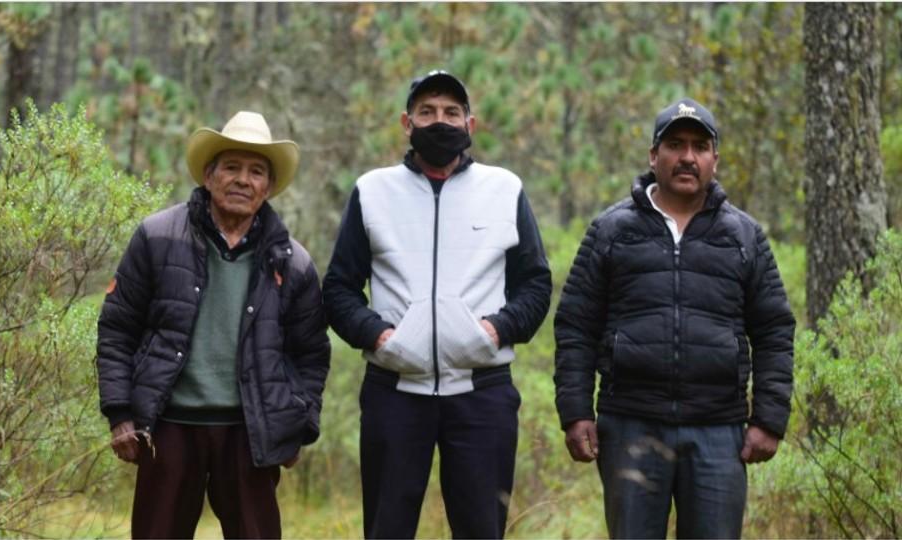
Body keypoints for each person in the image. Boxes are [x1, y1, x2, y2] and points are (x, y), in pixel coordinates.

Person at [322, 70, 552, 539]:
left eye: (451, 112)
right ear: (406, 123)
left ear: (471, 124)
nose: (439, 121)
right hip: (393, 392)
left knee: (482, 530)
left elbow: (535, 284)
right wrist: (378, 336)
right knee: (386, 529)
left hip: (482, 392)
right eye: (427, 112)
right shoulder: (373, 190)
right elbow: (339, 288)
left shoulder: (504, 189)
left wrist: (497, 329)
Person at [553, 98, 795, 539]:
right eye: (675, 144)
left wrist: (768, 418)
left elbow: (775, 329)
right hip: (629, 424)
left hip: (718, 431)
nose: (687, 157)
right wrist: (575, 411)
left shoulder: (743, 236)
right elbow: (575, 325)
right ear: (653, 155)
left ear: (714, 161)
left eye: (700, 147)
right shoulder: (611, 231)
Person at [96, 111, 330, 539]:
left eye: (256, 171)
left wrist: (300, 426)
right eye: (232, 167)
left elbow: (311, 354)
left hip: (250, 432)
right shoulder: (157, 236)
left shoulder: (293, 262)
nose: (243, 180)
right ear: (209, 175)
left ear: (269, 187)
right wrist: (120, 412)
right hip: (167, 427)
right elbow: (117, 329)